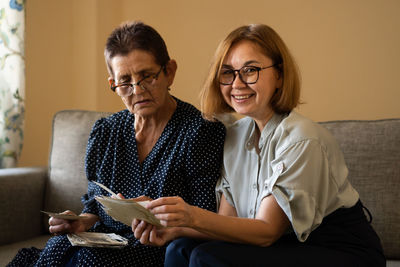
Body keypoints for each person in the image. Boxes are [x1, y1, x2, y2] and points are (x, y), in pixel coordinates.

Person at [132, 24, 385, 267]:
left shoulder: (302, 139)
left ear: (279, 74)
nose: (237, 84)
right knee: (181, 248)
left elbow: (267, 232)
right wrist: (174, 229)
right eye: (228, 72)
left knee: (207, 258)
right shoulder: (233, 135)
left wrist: (191, 215)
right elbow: (227, 222)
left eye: (250, 70)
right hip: (288, 246)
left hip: (340, 251)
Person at [7, 21, 225, 267]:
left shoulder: (200, 130)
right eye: (125, 82)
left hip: (158, 245)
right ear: (113, 84)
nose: (137, 90)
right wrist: (81, 222)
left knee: (90, 260)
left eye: (147, 76)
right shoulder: (105, 131)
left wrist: (158, 217)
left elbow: (208, 216)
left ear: (169, 72)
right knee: (58, 245)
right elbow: (94, 207)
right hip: (105, 240)